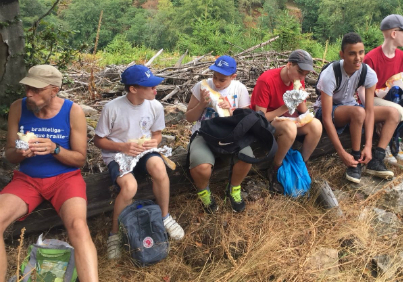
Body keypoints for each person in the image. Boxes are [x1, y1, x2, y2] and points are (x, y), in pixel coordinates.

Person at [1, 65, 98, 282]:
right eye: (27, 88)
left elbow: (80, 159)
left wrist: (55, 148)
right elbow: (10, 154)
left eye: (36, 89)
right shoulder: (18, 107)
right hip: (27, 179)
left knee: (78, 226)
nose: (29, 93)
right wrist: (19, 152)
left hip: (65, 179)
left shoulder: (72, 111)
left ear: (54, 90)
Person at [94, 65, 184, 260]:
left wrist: (154, 141)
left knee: (159, 167)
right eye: (150, 87)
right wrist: (123, 148)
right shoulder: (113, 108)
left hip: (143, 152)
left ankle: (164, 216)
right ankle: (115, 233)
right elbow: (98, 140)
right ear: (133, 89)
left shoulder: (155, 106)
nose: (155, 90)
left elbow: (157, 134)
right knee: (129, 186)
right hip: (118, 154)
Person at [315, 33, 399, 184]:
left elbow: (370, 110)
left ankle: (376, 158)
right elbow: (326, 117)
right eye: (352, 53)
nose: (358, 58)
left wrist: (368, 145)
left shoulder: (368, 73)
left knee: (393, 112)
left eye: (361, 52)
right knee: (358, 112)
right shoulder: (330, 74)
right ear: (342, 54)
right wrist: (341, 153)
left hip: (352, 108)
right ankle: (355, 159)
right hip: (329, 112)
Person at [185, 55, 252, 213]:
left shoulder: (239, 89)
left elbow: (247, 117)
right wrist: (202, 103)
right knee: (201, 166)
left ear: (233, 77)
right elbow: (189, 118)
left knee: (247, 156)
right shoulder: (201, 86)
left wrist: (231, 110)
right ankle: (204, 192)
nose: (216, 82)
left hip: (230, 134)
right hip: (204, 133)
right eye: (214, 77)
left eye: (222, 79)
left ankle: (234, 188)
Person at [251, 49, 323, 194]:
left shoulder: (298, 79)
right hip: (265, 124)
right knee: (290, 128)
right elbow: (260, 116)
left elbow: (302, 109)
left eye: (305, 74)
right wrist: (285, 107)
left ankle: (301, 163)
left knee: (316, 125)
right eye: (300, 72)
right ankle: (275, 168)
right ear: (289, 64)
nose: (302, 77)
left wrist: (301, 97)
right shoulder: (267, 80)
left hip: (288, 119)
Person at [364, 14, 403, 164]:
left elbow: (398, 81)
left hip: (394, 96)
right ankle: (385, 144)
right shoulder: (371, 58)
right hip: (375, 98)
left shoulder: (401, 55)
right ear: (394, 34)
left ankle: (395, 137)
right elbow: (366, 91)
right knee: (398, 110)